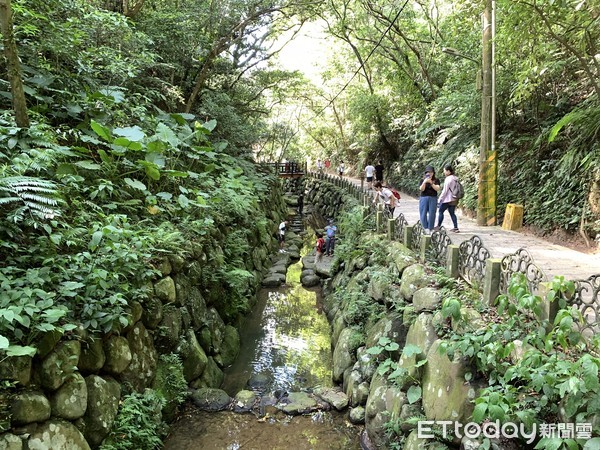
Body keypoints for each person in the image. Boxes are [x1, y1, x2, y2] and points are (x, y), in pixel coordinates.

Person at [436, 165, 460, 232]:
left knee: (441, 211)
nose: (444, 172)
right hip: (454, 198)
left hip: (447, 199)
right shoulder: (455, 178)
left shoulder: (448, 179)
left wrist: (440, 199)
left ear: (448, 171)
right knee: (452, 213)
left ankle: (438, 226)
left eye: (445, 170)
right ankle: (456, 227)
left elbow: (445, 191)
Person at [419, 165, 441, 234]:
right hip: (424, 198)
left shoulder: (436, 180)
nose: (429, 174)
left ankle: (431, 228)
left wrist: (431, 183)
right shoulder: (422, 180)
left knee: (432, 213)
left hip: (433, 198)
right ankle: (425, 227)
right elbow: (421, 189)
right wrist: (425, 182)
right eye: (428, 172)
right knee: (423, 212)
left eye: (431, 172)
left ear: (433, 173)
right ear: (425, 173)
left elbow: (437, 188)